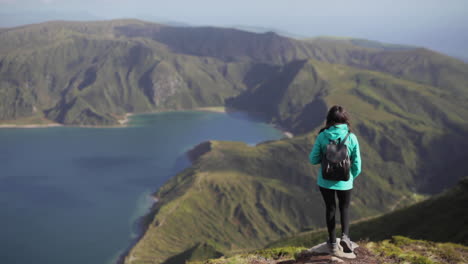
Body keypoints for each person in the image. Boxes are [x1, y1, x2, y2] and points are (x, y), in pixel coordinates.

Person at [309, 105, 361, 254]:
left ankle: (332, 242)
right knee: (344, 208)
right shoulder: (351, 137)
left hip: (325, 181)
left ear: (329, 119)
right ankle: (345, 238)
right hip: (345, 182)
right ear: (345, 120)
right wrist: (350, 177)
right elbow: (357, 164)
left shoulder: (322, 136)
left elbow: (313, 159)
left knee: (330, 209)